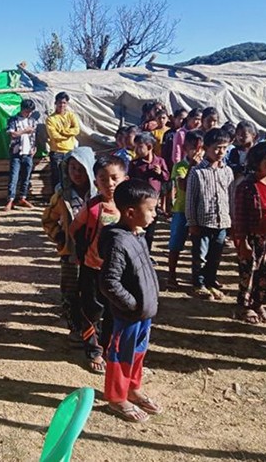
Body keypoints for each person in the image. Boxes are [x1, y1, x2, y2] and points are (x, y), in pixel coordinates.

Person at [98, 179, 161, 423]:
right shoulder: (117, 241)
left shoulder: (138, 235)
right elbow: (109, 282)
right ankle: (116, 397)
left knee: (138, 352)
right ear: (131, 212)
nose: (155, 214)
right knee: (120, 355)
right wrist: (132, 304)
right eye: (151, 209)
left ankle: (133, 389)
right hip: (130, 314)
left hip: (144, 313)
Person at [69, 154, 127, 373]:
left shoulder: (130, 207)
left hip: (119, 273)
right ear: (96, 183)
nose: (109, 184)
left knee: (115, 310)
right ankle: (93, 351)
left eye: (114, 178)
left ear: (125, 179)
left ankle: (110, 346)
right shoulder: (93, 206)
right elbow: (74, 228)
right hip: (92, 269)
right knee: (91, 310)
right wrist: (83, 251)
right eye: (103, 179)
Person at [42, 147, 95, 344]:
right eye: (72, 168)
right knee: (71, 291)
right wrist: (60, 238)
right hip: (70, 254)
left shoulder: (99, 195)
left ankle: (92, 328)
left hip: (95, 254)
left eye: (81, 169)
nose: (77, 174)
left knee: (92, 291)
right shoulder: (61, 195)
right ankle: (74, 328)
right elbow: (48, 220)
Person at [232, 142, 266, 324]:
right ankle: (244, 306)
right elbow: (239, 216)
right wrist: (243, 241)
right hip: (252, 237)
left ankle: (259, 303)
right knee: (249, 272)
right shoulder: (247, 186)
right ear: (257, 161)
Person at [185, 128, 234, 300]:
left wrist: (231, 221)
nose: (221, 152)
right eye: (217, 148)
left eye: (224, 147)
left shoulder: (227, 171)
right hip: (202, 222)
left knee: (215, 255)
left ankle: (211, 282)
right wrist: (192, 222)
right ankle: (199, 284)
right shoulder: (197, 172)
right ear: (206, 148)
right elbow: (191, 199)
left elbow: (230, 197)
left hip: (222, 222)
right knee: (200, 256)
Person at [167, 130, 204, 289]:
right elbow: (182, 186)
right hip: (182, 209)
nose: (196, 151)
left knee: (200, 246)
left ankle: (200, 278)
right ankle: (171, 275)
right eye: (192, 147)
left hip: (200, 210)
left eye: (199, 147)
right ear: (184, 147)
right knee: (176, 243)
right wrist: (191, 167)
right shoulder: (180, 166)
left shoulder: (206, 166)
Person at [128, 131, 169, 252]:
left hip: (153, 203)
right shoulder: (135, 164)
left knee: (150, 230)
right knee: (138, 228)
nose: (136, 150)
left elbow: (167, 177)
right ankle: (136, 252)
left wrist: (160, 173)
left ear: (149, 147)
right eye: (135, 147)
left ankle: (147, 253)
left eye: (139, 147)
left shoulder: (160, 162)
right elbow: (130, 180)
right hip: (138, 201)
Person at [5, 99, 38, 211]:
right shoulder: (13, 120)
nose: (29, 113)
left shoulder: (32, 121)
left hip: (28, 153)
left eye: (30, 112)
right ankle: (10, 199)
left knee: (26, 177)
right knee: (14, 177)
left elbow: (33, 136)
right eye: (27, 111)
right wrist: (24, 131)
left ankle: (22, 198)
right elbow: (12, 134)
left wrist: (34, 147)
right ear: (22, 109)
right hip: (16, 152)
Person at [46, 92, 81, 189]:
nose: (62, 105)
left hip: (70, 151)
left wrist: (63, 131)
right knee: (57, 177)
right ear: (55, 103)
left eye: (64, 103)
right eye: (60, 103)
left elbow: (77, 130)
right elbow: (54, 136)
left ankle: (69, 198)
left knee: (71, 176)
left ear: (67, 104)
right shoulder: (51, 119)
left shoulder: (71, 116)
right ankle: (57, 199)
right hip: (57, 151)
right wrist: (68, 134)